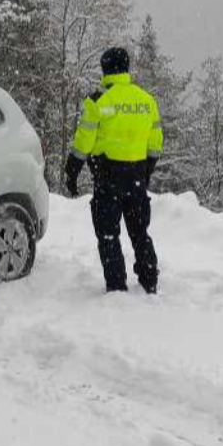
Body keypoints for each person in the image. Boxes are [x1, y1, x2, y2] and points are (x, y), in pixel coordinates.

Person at [63, 47, 164, 294]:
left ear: (106, 69)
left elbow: (84, 141)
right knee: (140, 231)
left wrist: (72, 171)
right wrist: (146, 170)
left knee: (109, 234)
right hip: (138, 176)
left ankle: (117, 286)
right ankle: (150, 280)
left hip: (108, 178)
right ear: (126, 68)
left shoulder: (97, 100)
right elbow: (156, 140)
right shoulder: (146, 100)